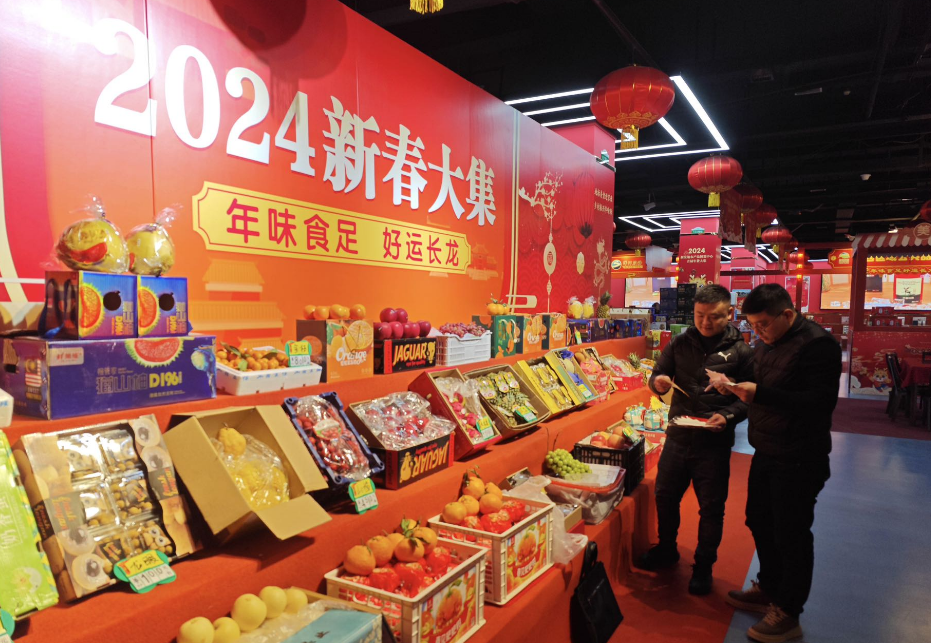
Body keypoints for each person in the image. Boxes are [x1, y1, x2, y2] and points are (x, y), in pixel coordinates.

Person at [711, 284, 840, 643]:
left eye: (764, 324)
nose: (759, 331)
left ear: (787, 314)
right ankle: (769, 586)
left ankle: (788, 611)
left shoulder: (819, 346)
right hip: (767, 449)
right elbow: (761, 385)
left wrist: (759, 394)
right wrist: (735, 386)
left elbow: (818, 403)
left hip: (800, 456)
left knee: (791, 533)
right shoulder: (766, 344)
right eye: (753, 325)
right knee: (759, 520)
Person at [636, 284, 754, 595]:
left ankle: (703, 567)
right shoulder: (679, 343)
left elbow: (750, 400)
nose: (705, 322)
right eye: (700, 315)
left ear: (729, 314)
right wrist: (659, 384)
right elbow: (656, 376)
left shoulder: (742, 352)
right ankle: (667, 548)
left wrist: (727, 416)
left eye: (714, 316)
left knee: (711, 508)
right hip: (678, 435)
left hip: (714, 443)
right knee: (665, 496)